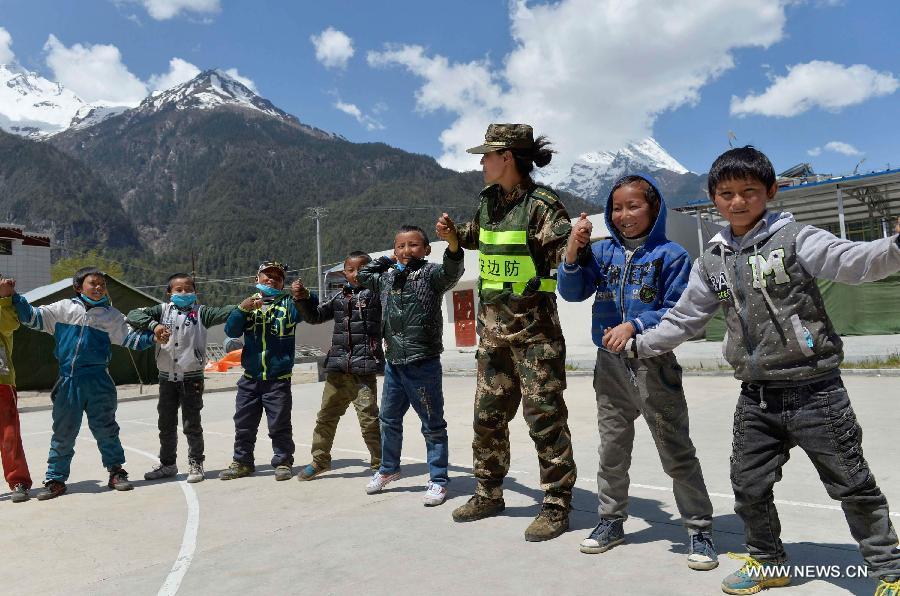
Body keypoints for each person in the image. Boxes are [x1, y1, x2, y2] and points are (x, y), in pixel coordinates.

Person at [611, 146, 900, 595]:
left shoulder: (797, 238)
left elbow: (854, 262)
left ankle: (889, 571)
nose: (738, 201)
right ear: (713, 198)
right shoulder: (713, 259)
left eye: (749, 191)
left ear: (771, 191)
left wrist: (895, 246)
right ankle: (768, 563)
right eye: (726, 193)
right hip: (757, 396)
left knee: (852, 484)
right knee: (748, 485)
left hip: (817, 392)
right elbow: (685, 317)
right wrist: (639, 344)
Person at [557, 174, 718, 569]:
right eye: (617, 207)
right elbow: (572, 292)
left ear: (654, 208)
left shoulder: (672, 255)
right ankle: (611, 521)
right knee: (612, 449)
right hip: (609, 367)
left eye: (634, 206)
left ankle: (699, 529)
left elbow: (678, 309)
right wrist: (573, 252)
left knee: (675, 450)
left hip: (653, 364)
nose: (624, 214)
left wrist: (637, 325)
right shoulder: (602, 252)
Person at [438, 123, 578, 541]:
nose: (481, 163)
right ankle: (489, 492)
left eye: (487, 155)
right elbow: (476, 237)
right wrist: (452, 235)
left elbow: (564, 256)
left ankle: (556, 505)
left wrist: (576, 244)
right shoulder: (488, 202)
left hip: (535, 337)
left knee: (546, 421)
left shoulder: (542, 206)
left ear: (508, 159)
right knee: (487, 420)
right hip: (493, 336)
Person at [12, 267, 158, 500]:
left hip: (99, 381)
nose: (99, 287)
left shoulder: (112, 316)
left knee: (106, 429)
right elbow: (31, 316)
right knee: (63, 433)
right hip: (68, 381)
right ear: (79, 287)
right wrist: (14, 297)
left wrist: (155, 337)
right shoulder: (62, 309)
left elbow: (132, 339)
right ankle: (55, 480)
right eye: (93, 283)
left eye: (102, 284)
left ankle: (116, 472)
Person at [356, 225, 463, 506]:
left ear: (427, 249)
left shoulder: (431, 274)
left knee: (432, 425)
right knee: (389, 420)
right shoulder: (387, 278)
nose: (406, 250)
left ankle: (438, 479)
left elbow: (452, 271)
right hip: (394, 363)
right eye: (401, 246)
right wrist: (386, 261)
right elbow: (364, 275)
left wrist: (452, 246)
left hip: (422, 363)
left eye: (413, 245)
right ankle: (389, 469)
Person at [126, 273, 235, 483]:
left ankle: (196, 464)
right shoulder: (161, 310)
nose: (184, 293)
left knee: (191, 424)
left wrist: (244, 306)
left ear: (195, 292)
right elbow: (132, 315)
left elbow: (226, 312)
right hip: (166, 378)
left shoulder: (202, 312)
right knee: (165, 424)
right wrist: (155, 326)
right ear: (169, 293)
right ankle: (168, 464)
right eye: (178, 290)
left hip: (192, 378)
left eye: (188, 289)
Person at [220, 261, 314, 482]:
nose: (271, 279)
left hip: (278, 381)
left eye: (277, 277)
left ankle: (282, 462)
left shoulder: (289, 305)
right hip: (250, 379)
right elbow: (231, 330)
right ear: (257, 279)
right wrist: (242, 309)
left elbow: (310, 310)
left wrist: (304, 294)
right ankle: (242, 462)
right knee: (243, 424)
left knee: (279, 424)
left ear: (282, 284)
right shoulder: (247, 305)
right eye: (266, 275)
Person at [293, 251, 383, 480]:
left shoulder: (378, 295)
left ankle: (381, 464)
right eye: (351, 270)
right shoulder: (339, 298)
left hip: (363, 371)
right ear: (344, 273)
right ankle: (320, 461)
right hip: (336, 370)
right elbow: (314, 316)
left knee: (370, 421)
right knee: (325, 418)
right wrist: (302, 299)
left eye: (362, 269)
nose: (356, 274)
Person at [0, 276, 31, 503]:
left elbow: (11, 324)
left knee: (9, 435)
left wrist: (4, 297)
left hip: (1, 380)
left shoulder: (4, 308)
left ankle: (18, 480)